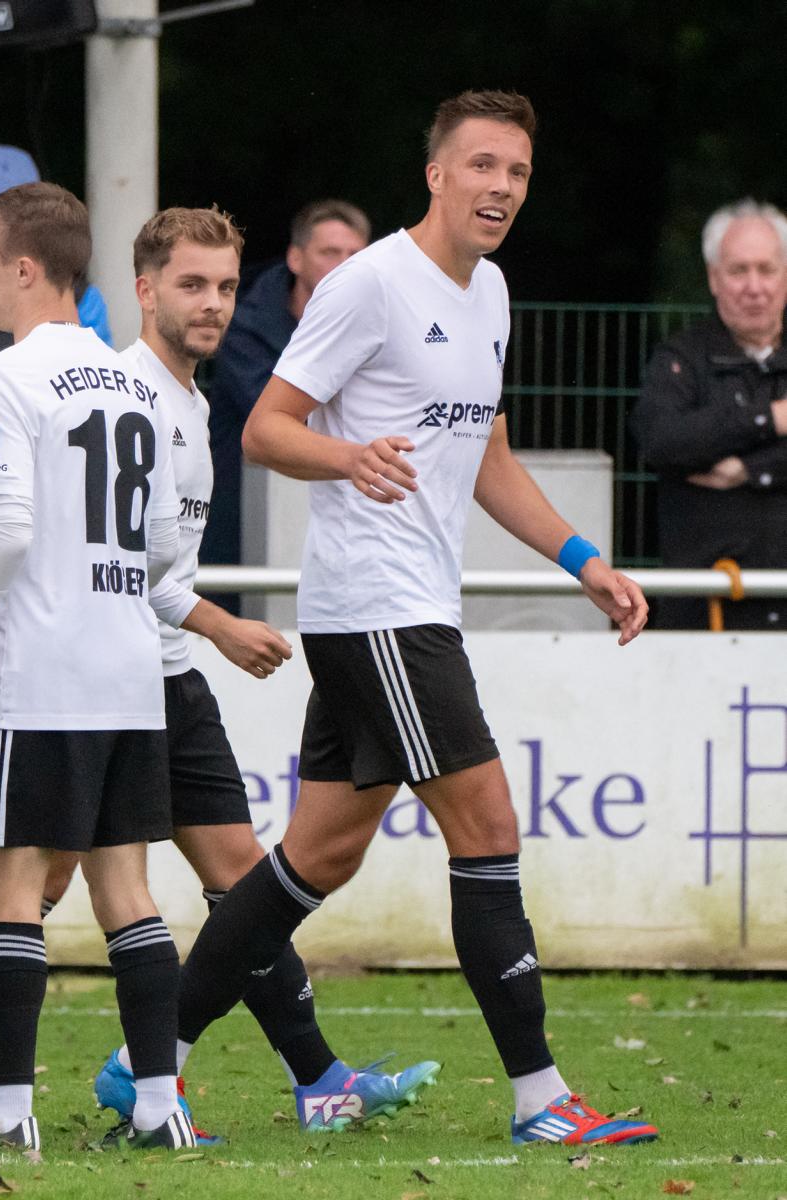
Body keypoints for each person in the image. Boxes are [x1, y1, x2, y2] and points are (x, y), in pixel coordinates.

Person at [0, 205, 438, 1145]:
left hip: (157, 677)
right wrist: (218, 622)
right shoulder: (120, 388)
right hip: (120, 667)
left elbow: (137, 557)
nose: (213, 305)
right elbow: (103, 559)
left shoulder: (187, 401)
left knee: (215, 876)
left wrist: (202, 628)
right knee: (41, 881)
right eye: (192, 285)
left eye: (226, 287)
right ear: (143, 291)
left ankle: (304, 1077)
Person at [195, 90, 656, 1148]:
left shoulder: (490, 291)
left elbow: (486, 458)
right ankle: (541, 1099)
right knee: (487, 829)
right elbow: (266, 429)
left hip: (404, 607)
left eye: (518, 172)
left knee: (316, 858)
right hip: (378, 609)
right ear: (437, 174)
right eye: (483, 165)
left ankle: (148, 1062)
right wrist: (348, 456)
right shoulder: (367, 284)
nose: (502, 187)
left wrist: (583, 561)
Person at [0, 181, 192, 1152]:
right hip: (129, 671)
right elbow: (161, 543)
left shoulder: (5, 377)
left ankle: (9, 1116)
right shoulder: (138, 383)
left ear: (28, 268)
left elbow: (8, 533)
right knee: (128, 895)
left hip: (40, 677)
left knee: (9, 895)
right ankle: (159, 1109)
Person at [0, 144, 111, 569]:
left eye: (19, 208)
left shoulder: (85, 299)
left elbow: (86, 414)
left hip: (42, 546)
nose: (3, 221)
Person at [199, 200, 368, 611]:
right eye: (330, 252)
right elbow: (279, 423)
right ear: (295, 258)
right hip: (240, 519)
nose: (343, 265)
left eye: (355, 255)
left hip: (344, 519)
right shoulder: (245, 326)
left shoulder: (378, 325)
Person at [633, 198, 787, 629]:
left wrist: (748, 470)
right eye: (739, 271)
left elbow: (697, 439)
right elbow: (661, 441)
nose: (754, 287)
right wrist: (771, 418)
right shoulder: (680, 359)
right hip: (706, 619)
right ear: (714, 278)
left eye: (767, 269)